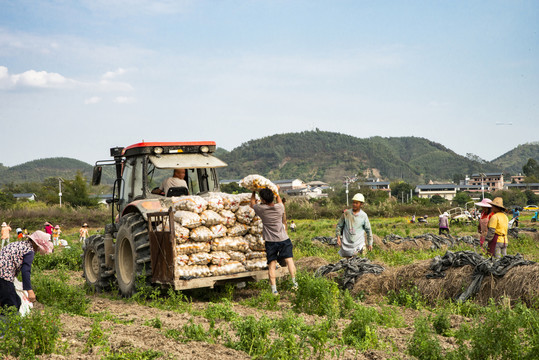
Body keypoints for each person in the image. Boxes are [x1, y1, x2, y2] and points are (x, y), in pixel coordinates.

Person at [250, 188, 298, 295]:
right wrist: (277, 192)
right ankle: (295, 284)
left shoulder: (261, 209)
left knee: (272, 264)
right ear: (272, 198)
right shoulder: (280, 207)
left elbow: (252, 203)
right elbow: (280, 201)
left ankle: (274, 290)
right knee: (289, 260)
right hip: (284, 239)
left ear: (262, 200)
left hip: (271, 241)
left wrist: (253, 192)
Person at [0, 230, 53, 311]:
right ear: (36, 243)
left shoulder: (21, 244)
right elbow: (25, 271)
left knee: (16, 301)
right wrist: (29, 291)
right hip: (3, 275)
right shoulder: (29, 251)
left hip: (4, 273)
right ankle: (7, 322)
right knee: (11, 305)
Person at [335, 193, 373, 258]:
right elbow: (339, 226)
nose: (354, 205)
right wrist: (338, 238)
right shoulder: (346, 213)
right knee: (348, 263)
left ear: (361, 204)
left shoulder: (363, 216)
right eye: (353, 203)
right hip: (347, 244)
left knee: (360, 261)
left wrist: (370, 243)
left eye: (356, 203)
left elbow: (368, 230)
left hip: (359, 243)